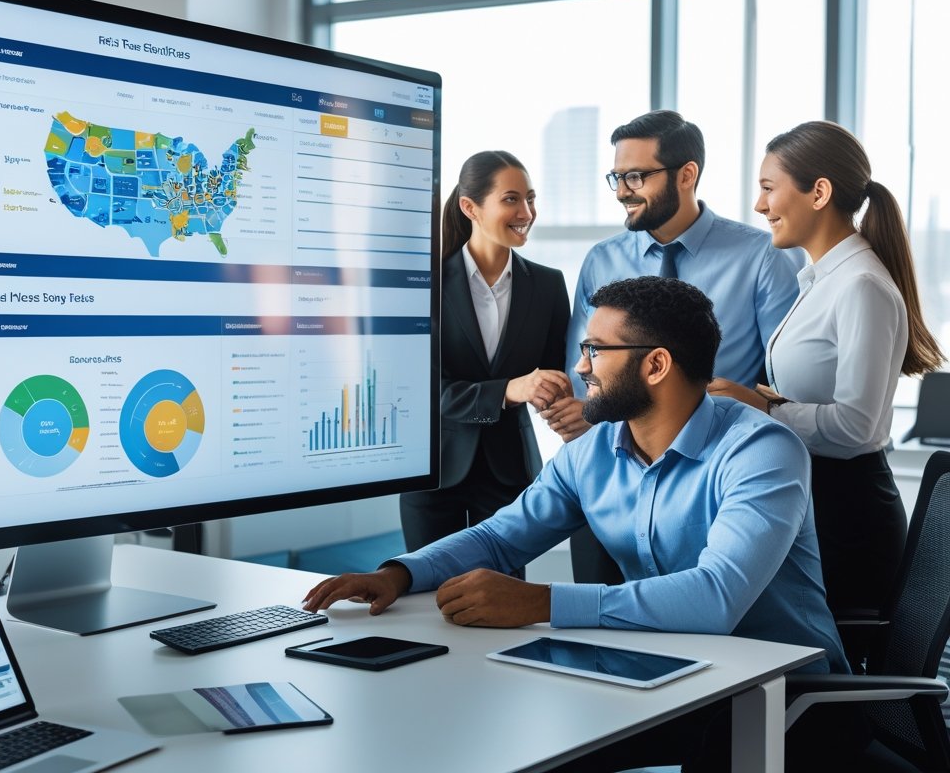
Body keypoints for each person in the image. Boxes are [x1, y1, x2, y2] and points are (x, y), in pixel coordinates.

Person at [305, 276, 851, 770]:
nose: (581, 366)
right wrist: (400, 574)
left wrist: (541, 603)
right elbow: (500, 538)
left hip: (785, 699)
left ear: (655, 365)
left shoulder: (762, 451)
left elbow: (715, 598)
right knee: (517, 741)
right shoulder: (594, 453)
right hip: (671, 673)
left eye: (595, 349)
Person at [708, 120, 946, 670]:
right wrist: (772, 399)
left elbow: (859, 428)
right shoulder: (820, 279)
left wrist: (766, 406)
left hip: (848, 517)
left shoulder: (860, 284)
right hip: (820, 503)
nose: (758, 203)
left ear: (819, 192)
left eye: (770, 187)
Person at [542, 110, 802, 584]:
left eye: (636, 176)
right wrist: (584, 410)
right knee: (596, 628)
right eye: (617, 177)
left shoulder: (761, 256)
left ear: (687, 175)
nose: (622, 190)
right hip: (613, 474)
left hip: (711, 478)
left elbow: (788, 378)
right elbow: (585, 366)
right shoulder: (602, 259)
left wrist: (753, 404)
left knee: (693, 612)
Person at [398, 150, 569, 559]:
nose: (526, 211)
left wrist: (558, 399)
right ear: (469, 207)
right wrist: (508, 390)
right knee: (426, 597)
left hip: (511, 473)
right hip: (433, 472)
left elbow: (554, 375)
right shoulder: (424, 285)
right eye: (511, 199)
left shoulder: (547, 286)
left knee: (502, 600)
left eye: (530, 198)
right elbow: (420, 392)